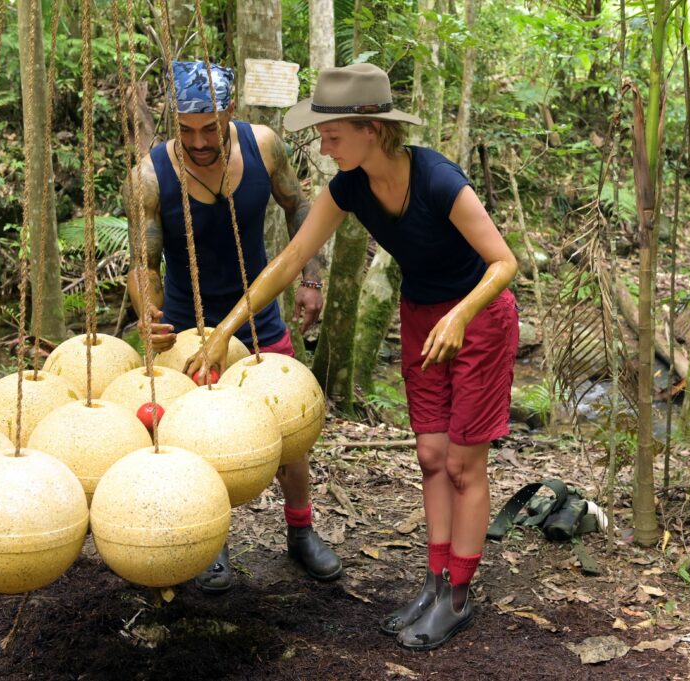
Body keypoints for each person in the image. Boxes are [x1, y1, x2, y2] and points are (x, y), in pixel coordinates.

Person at [186, 63, 519, 650]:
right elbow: (289, 261)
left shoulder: (439, 180)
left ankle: (458, 596)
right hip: (422, 317)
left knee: (465, 465)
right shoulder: (350, 186)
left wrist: (461, 314)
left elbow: (504, 264)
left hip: (478, 318)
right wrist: (225, 329)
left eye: (331, 133)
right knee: (429, 455)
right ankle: (433, 583)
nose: (322, 144)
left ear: (373, 129)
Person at [124, 61, 342, 593]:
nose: (199, 142)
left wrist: (310, 278)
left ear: (231, 114)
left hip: (261, 317)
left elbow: (298, 206)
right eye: (186, 130)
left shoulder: (264, 145)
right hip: (189, 329)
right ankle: (211, 543)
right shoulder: (150, 176)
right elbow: (142, 264)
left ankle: (300, 531)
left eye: (210, 128)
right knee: (196, 439)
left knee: (289, 433)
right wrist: (148, 315)